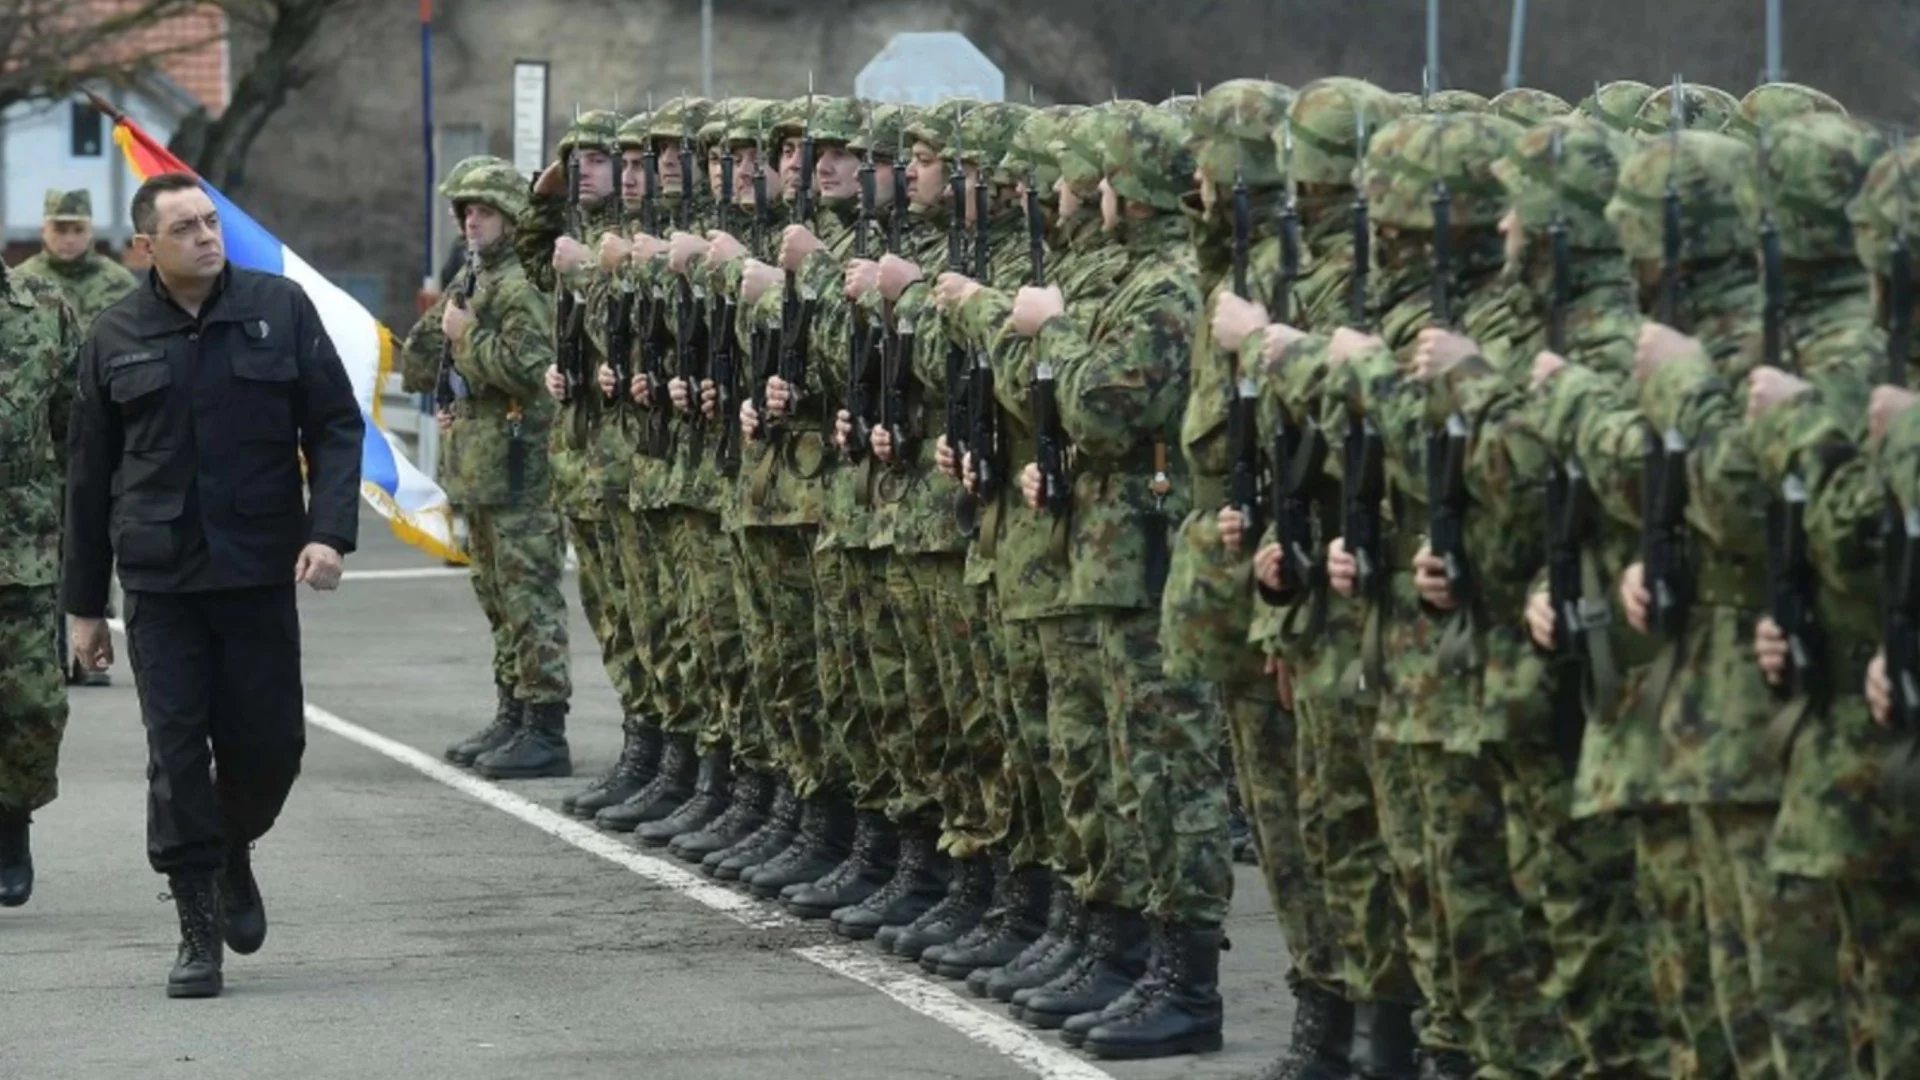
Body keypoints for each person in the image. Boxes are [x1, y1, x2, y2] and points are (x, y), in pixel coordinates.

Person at [63, 171, 364, 999]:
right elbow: (88, 480)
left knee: (272, 748)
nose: (206, 236)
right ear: (145, 248)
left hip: (259, 569)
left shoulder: (279, 309)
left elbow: (336, 426)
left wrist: (329, 532)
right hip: (160, 584)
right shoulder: (114, 333)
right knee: (176, 756)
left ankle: (231, 847)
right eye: (186, 227)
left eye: (210, 222)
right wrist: (85, 609)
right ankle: (197, 925)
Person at [15, 187, 140, 688]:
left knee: (94, 538)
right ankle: (45, 653)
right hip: (39, 440)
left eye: (77, 229)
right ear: (44, 230)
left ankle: (90, 651)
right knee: (40, 549)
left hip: (101, 429)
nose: (68, 239)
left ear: (90, 231)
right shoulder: (24, 286)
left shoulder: (117, 283)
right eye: (58, 229)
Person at [0, 262, 83, 911]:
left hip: (21, 537)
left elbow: (74, 423)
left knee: (33, 702)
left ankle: (11, 823)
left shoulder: (43, 304)